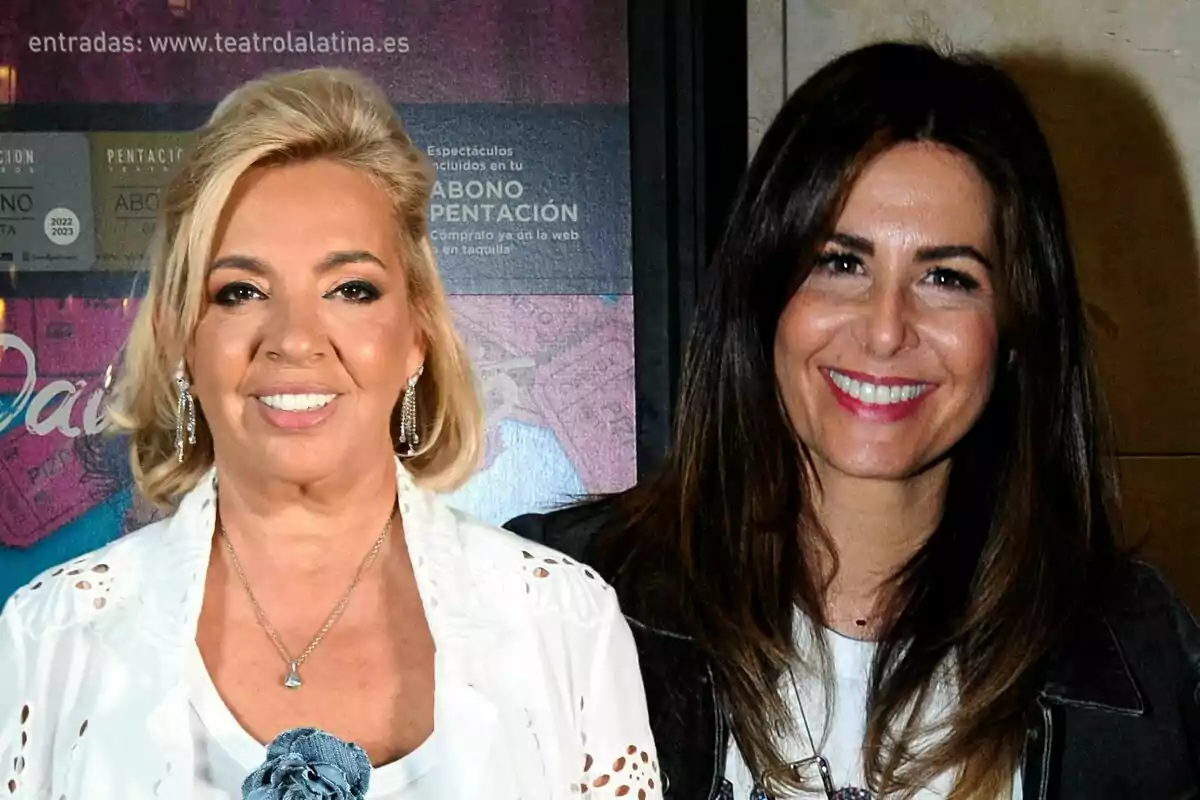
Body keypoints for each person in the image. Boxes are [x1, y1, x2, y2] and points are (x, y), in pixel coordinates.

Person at [506, 42, 1200, 799]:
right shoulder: (557, 604)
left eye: (947, 277)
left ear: (1013, 332)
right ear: (765, 297)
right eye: (841, 263)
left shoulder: (1136, 653)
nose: (884, 330)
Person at [0, 67, 661, 800]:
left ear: (416, 334)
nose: (294, 338)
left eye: (351, 289)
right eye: (241, 292)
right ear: (183, 337)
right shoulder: (53, 634)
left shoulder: (563, 623)